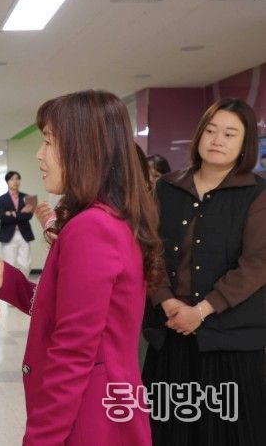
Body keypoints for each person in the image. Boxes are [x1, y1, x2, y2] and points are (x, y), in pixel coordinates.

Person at [0, 90, 164, 446]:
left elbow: (74, 351)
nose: (40, 154)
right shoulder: (109, 218)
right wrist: (11, 281)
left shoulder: (91, 227)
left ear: (84, 149)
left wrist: (39, 439)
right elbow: (73, 310)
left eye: (49, 142)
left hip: (87, 417)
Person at [142, 97, 266, 446]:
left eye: (229, 134)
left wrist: (201, 311)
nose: (217, 140)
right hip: (171, 333)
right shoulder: (167, 187)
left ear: (245, 143)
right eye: (211, 131)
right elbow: (149, 249)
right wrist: (167, 301)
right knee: (168, 430)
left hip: (231, 340)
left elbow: (257, 263)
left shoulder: (257, 194)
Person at [0, 171, 35, 274]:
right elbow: (3, 218)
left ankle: (24, 282)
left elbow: (29, 216)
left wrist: (12, 213)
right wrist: (21, 213)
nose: (15, 181)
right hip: (8, 234)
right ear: (7, 181)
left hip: (24, 233)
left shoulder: (28, 197)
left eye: (17, 178)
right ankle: (11, 283)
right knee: (10, 264)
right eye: (12, 179)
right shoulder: (1, 199)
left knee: (26, 264)